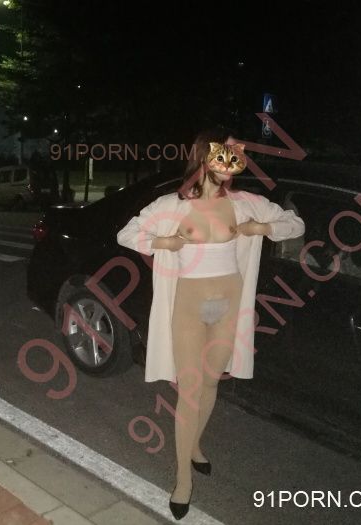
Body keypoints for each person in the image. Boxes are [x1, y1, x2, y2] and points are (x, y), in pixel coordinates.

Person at [116, 126, 305, 520]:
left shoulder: (244, 203)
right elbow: (127, 233)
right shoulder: (173, 205)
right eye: (225, 154)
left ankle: (196, 446)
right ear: (204, 156)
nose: (231, 164)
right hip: (188, 306)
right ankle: (183, 479)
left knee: (211, 382)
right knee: (189, 390)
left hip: (228, 306)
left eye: (237, 157)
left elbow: (295, 224)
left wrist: (262, 228)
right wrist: (163, 242)